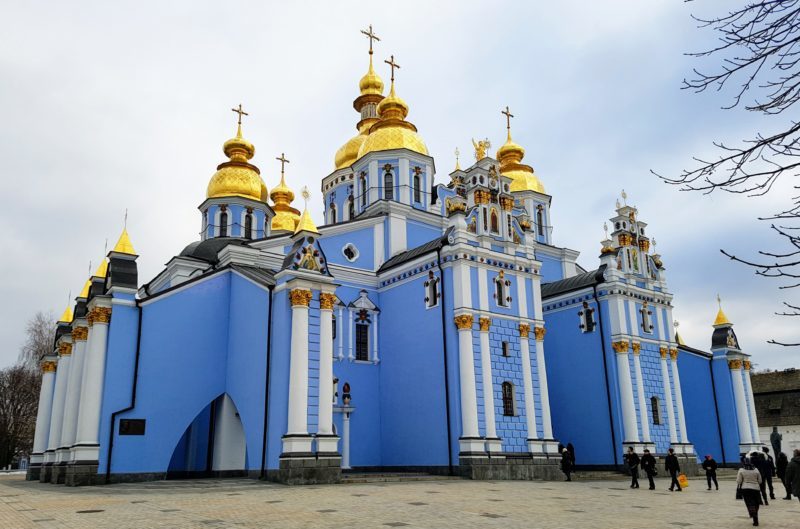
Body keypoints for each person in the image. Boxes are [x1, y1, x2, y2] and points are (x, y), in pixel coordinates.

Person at [737, 454, 764, 526]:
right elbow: (760, 481)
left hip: (745, 489)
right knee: (756, 503)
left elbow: (739, 481)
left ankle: (754, 515)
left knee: (750, 503)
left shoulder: (741, 470)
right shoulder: (756, 469)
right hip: (756, 489)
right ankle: (755, 518)